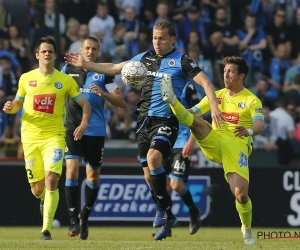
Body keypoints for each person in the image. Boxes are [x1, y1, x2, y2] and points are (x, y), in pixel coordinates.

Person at [64, 20, 223, 241]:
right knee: (149, 176)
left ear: (173, 40)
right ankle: (167, 214)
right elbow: (114, 68)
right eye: (155, 38)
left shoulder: (182, 61)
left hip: (167, 119)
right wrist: (86, 64)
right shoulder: (143, 58)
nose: (157, 42)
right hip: (143, 122)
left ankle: (161, 211)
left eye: (162, 38)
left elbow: (206, 83)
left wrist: (214, 106)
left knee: (154, 158)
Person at [159, 56, 265, 244]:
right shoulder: (218, 95)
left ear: (241, 75)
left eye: (231, 71)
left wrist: (248, 131)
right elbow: (193, 113)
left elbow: (260, 124)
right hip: (215, 140)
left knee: (241, 195)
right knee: (197, 122)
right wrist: (176, 110)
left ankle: (246, 229)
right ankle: (172, 100)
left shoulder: (251, 99)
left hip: (237, 144)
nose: (226, 74)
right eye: (224, 71)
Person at [2, 37, 92, 240]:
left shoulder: (65, 80)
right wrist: (10, 108)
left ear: (54, 55)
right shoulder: (26, 78)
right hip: (30, 137)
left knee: (52, 180)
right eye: (43, 51)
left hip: (55, 136)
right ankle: (43, 199)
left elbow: (86, 104)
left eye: (50, 51)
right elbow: (17, 103)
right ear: (37, 55)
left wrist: (84, 123)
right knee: (37, 189)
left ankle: (46, 230)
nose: (47, 54)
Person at [62, 36, 126, 240]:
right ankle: (73, 220)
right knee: (71, 170)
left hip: (96, 130)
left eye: (94, 49)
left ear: (98, 51)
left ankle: (84, 217)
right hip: (72, 127)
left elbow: (121, 103)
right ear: (80, 50)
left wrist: (105, 95)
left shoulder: (104, 74)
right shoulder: (67, 70)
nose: (90, 51)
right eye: (87, 48)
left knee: (92, 177)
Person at [151, 82, 202, 238]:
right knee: (163, 185)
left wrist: (192, 141)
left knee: (176, 184)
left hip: (182, 142)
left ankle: (193, 211)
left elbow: (198, 114)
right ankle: (167, 226)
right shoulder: (160, 84)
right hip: (165, 139)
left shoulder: (188, 86)